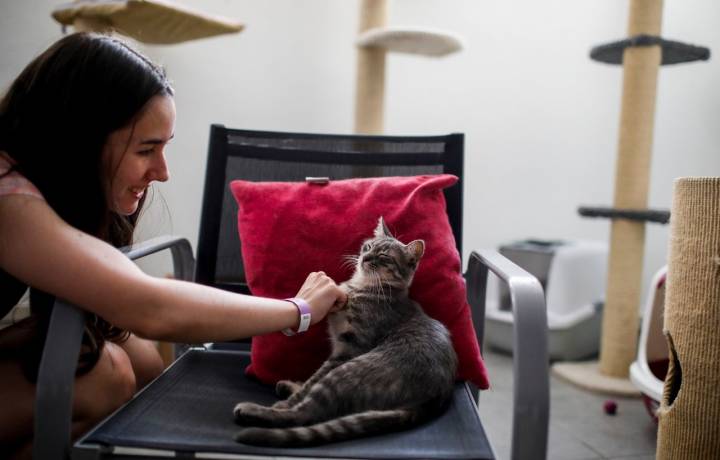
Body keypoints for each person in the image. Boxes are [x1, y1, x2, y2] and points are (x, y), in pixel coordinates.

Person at [0, 32, 347, 458]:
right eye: (147, 149)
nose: (162, 172)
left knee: (142, 359)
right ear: (81, 140)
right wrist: (298, 311)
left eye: (164, 148)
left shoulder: (33, 186)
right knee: (107, 374)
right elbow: (149, 308)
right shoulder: (8, 199)